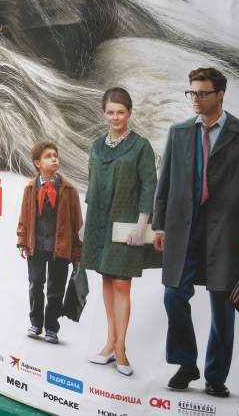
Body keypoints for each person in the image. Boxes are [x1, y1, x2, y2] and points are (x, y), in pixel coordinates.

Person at [153, 67, 239, 398]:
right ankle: (186, 364)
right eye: (192, 92)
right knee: (173, 294)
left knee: (223, 305)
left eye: (202, 93)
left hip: (227, 230)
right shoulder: (178, 133)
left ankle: (215, 376)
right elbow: (165, 180)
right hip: (183, 228)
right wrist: (159, 224)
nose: (195, 99)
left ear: (220, 95)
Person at [81, 87, 158, 377]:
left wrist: (142, 224)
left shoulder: (141, 146)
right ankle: (110, 343)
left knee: (122, 284)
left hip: (126, 223)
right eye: (110, 112)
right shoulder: (96, 146)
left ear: (130, 113)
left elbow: (149, 185)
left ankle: (121, 348)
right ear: (104, 113)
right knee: (107, 279)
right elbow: (92, 186)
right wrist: (85, 223)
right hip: (99, 222)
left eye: (121, 112)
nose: (115, 117)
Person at [16, 141, 83, 344]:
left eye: (55, 155)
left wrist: (77, 252)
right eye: (48, 156)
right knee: (36, 285)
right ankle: (36, 324)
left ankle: (52, 328)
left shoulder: (69, 190)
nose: (54, 159)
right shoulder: (30, 188)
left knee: (56, 290)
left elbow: (77, 223)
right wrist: (22, 241)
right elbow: (24, 217)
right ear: (37, 163)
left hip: (59, 248)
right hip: (35, 245)